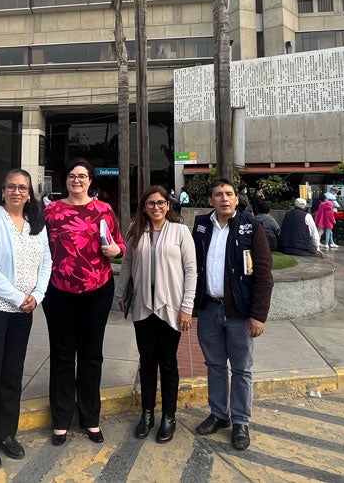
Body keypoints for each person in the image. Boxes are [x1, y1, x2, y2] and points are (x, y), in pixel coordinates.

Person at [0, 169, 52, 470]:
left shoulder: (36, 223)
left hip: (23, 311)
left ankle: (6, 433)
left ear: (30, 193)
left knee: (12, 375)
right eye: (11, 187)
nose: (17, 192)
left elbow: (47, 262)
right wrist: (18, 296)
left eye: (23, 188)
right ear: (3, 190)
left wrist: (37, 295)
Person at [42, 158, 126, 445]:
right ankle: (61, 419)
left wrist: (116, 250)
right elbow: (39, 249)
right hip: (58, 291)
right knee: (62, 355)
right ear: (65, 180)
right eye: (72, 176)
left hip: (97, 290)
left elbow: (119, 245)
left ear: (90, 181)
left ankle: (90, 417)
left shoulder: (104, 210)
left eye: (82, 176)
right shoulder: (51, 211)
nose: (77, 180)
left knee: (91, 355)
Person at [191, 178, 274, 451]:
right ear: (211, 200)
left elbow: (263, 275)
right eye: (218, 195)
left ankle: (240, 421)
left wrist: (258, 315)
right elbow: (192, 267)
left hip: (239, 312)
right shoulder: (202, 226)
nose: (224, 198)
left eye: (229, 194)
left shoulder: (252, 227)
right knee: (215, 365)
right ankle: (218, 414)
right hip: (209, 309)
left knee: (241, 369)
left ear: (237, 200)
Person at [115, 186, 197, 444]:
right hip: (143, 307)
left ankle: (169, 417)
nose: (156, 207)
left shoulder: (180, 231)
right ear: (144, 206)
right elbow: (127, 263)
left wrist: (187, 307)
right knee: (147, 362)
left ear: (168, 205)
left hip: (170, 307)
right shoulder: (136, 231)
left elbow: (191, 270)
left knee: (168, 363)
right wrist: (121, 293)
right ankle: (147, 414)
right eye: (150, 203)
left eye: (161, 203)